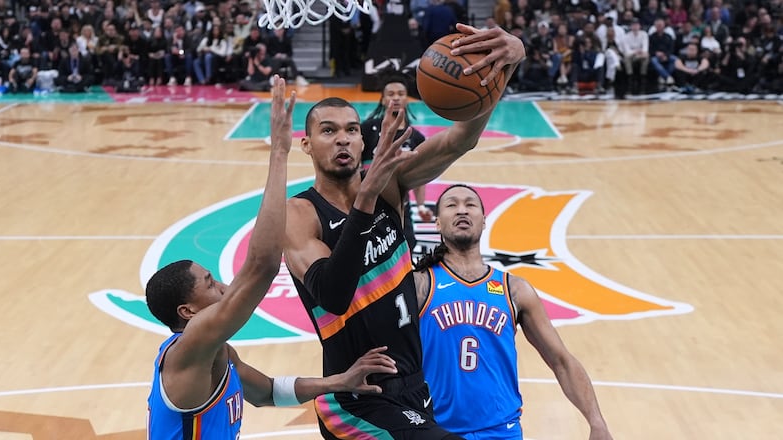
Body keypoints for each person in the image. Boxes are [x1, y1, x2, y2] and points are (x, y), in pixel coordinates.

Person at [282, 23, 526, 440]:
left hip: (417, 386)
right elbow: (334, 296)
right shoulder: (300, 214)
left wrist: (506, 66)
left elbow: (459, 140)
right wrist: (365, 201)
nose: (343, 139)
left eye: (352, 130)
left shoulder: (391, 182)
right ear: (306, 145)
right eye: (328, 131)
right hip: (356, 397)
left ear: (363, 141)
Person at [145, 77, 399, 439]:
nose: (221, 284)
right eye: (209, 282)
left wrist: (339, 381)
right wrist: (279, 153)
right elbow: (261, 268)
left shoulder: (218, 353)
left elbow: (266, 392)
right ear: (187, 312)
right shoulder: (192, 346)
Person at [413, 184, 613, 440]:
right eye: (452, 205)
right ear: (438, 223)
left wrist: (597, 423)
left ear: (484, 221)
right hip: (437, 430)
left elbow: (561, 361)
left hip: (501, 431)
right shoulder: (420, 284)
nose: (462, 210)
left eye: (470, 204)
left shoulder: (515, 290)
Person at [360, 75, 433, 254]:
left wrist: (421, 206)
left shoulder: (415, 137)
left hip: (400, 206)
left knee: (407, 245)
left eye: (401, 93)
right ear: (383, 100)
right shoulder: (368, 129)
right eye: (391, 94)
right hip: (368, 203)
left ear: (407, 99)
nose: (396, 97)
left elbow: (420, 177)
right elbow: (355, 166)